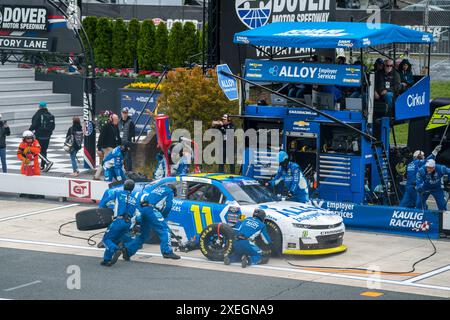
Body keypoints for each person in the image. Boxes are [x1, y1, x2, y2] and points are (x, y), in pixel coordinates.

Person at [121, 184, 180, 261]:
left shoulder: (157, 189)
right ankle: (167, 251)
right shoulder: (170, 191)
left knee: (143, 235)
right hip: (152, 210)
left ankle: (128, 251)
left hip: (143, 209)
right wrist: (163, 216)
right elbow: (168, 206)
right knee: (164, 230)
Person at [98, 179, 139, 266]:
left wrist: (101, 210)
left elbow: (106, 203)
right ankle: (106, 259)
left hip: (118, 221)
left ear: (124, 186)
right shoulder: (135, 199)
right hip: (128, 224)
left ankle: (116, 250)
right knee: (114, 240)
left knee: (106, 239)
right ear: (132, 188)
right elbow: (137, 214)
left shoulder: (118, 193)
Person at [29, 101, 54, 172]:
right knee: (44, 150)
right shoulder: (49, 114)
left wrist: (29, 130)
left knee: (36, 150)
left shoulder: (38, 114)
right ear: (46, 106)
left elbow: (34, 124)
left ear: (39, 107)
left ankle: (47, 162)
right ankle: (42, 166)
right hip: (47, 136)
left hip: (39, 136)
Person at [95, 114, 121, 180]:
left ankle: (97, 176)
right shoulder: (106, 126)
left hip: (113, 147)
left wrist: (120, 145)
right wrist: (99, 148)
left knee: (104, 162)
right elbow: (101, 137)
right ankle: (113, 177)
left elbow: (118, 137)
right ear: (111, 120)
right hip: (107, 147)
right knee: (108, 162)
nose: (117, 121)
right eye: (116, 119)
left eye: (117, 119)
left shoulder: (116, 127)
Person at [118, 107, 136, 172]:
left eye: (125, 113)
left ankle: (129, 172)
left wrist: (127, 143)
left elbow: (132, 133)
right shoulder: (119, 122)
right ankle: (120, 173)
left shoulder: (130, 122)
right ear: (121, 113)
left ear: (127, 113)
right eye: (123, 113)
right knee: (118, 159)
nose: (124, 114)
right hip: (120, 143)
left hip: (127, 143)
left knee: (128, 159)